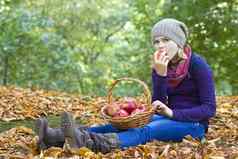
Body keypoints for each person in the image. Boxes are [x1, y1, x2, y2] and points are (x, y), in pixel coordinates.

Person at [35, 18, 216, 153]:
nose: (160, 45)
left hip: (194, 125)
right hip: (168, 118)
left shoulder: (197, 65)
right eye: (156, 41)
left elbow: (209, 109)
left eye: (166, 40)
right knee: (121, 126)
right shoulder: (160, 64)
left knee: (148, 130)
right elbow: (159, 102)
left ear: (179, 42)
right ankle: (54, 137)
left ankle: (90, 143)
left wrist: (172, 113)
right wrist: (160, 74)